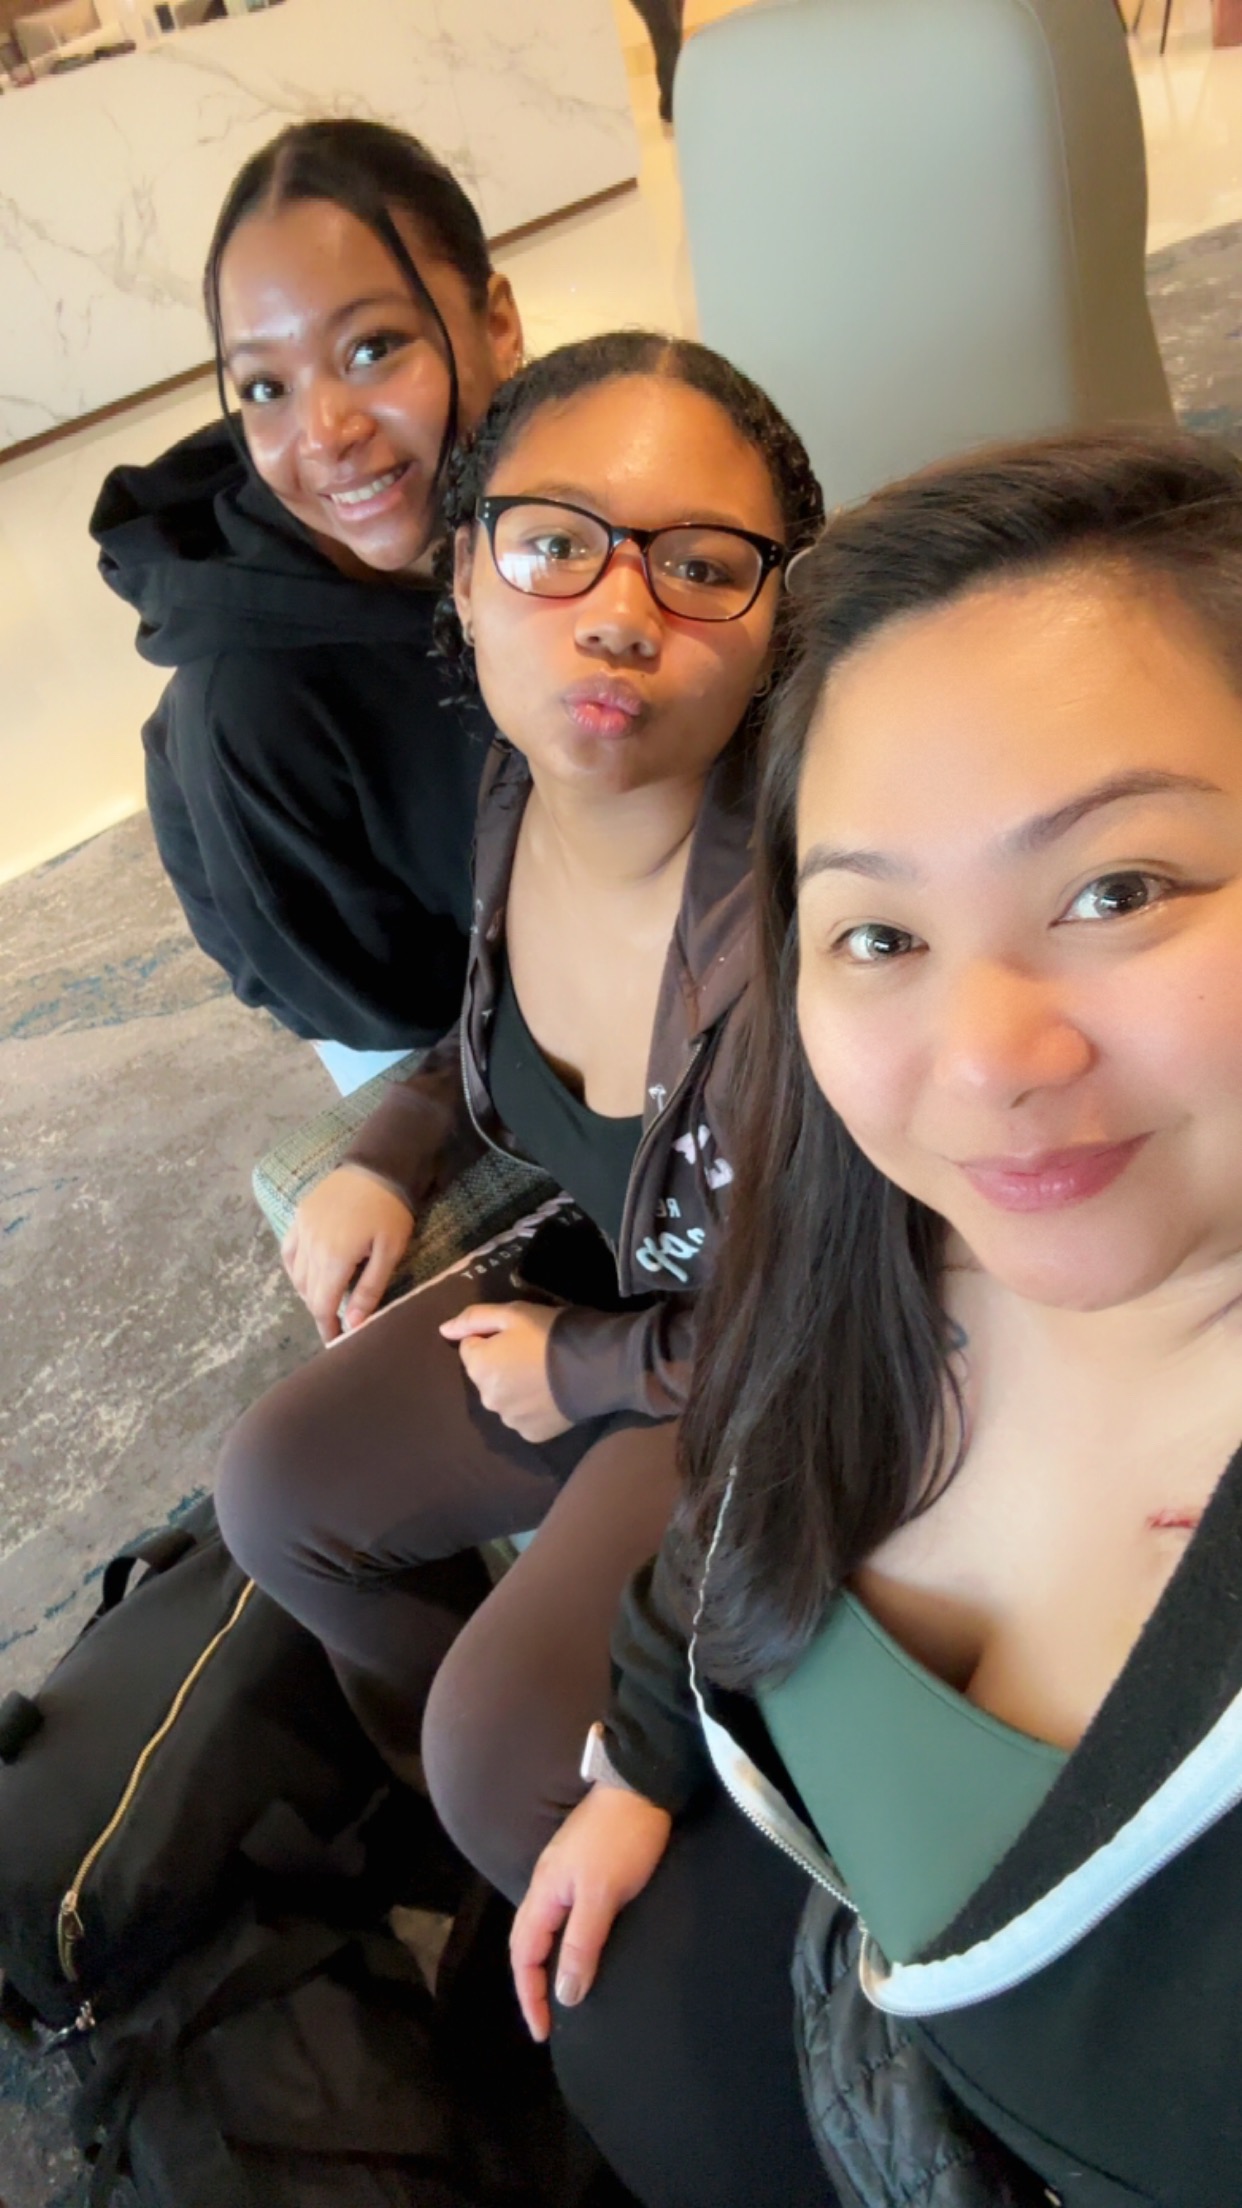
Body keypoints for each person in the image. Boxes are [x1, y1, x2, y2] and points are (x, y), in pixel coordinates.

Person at [510, 429, 1242, 2208]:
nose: (984, 1063)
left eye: (1117, 889)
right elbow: (740, 1494)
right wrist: (638, 1756)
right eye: (877, 936)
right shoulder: (884, 1246)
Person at [213, 330, 825, 1895]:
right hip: (612, 1279)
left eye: (699, 567)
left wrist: (586, 1366)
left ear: (774, 624)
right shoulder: (518, 783)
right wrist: (390, 1147)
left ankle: (601, 1890)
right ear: (467, 582)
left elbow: (876, 1310)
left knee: (503, 1745)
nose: (617, 614)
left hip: (753, 1374)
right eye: (554, 547)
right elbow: (486, 1020)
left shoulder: (815, 925)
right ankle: (484, 1871)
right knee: (278, 1491)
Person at [91, 119, 524, 1089]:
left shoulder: (574, 485)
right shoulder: (248, 704)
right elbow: (387, 1011)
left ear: (498, 324)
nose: (325, 431)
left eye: (372, 347)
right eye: (264, 386)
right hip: (432, 1031)